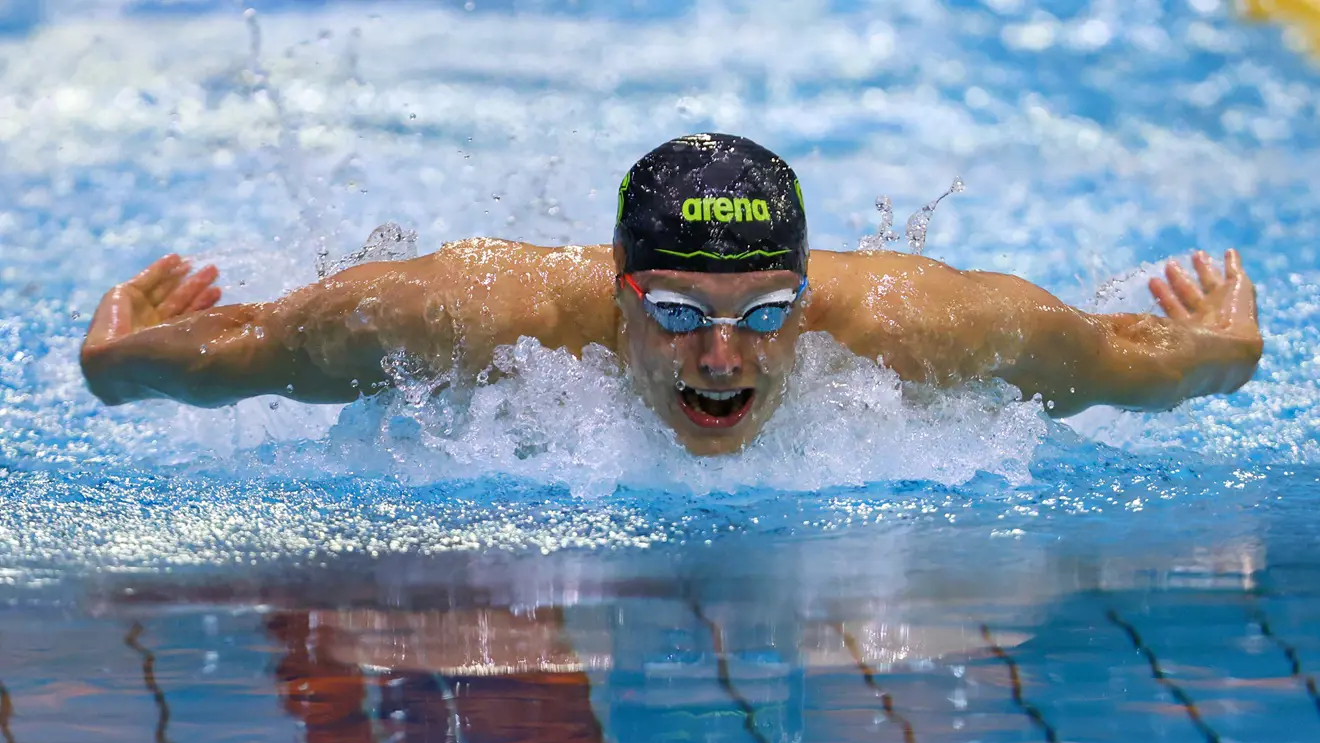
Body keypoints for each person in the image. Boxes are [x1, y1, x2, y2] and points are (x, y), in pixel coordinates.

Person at [79, 133, 1263, 456]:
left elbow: (1124, 361)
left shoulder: (916, 330)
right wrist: (122, 364)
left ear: (805, 295)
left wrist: (1226, 353)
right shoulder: (467, 318)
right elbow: (255, 347)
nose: (722, 362)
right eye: (680, 315)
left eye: (762, 315)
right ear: (617, 286)